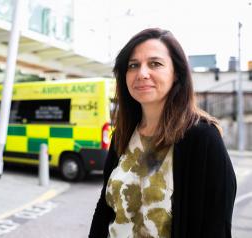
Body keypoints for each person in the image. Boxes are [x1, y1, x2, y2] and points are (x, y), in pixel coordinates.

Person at [89, 28, 236, 238]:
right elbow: (104, 208)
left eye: (155, 64)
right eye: (133, 65)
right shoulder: (123, 134)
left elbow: (216, 227)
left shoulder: (203, 138)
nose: (142, 73)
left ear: (176, 73)